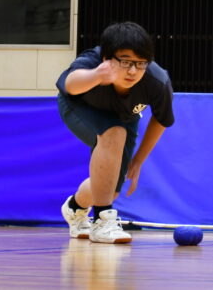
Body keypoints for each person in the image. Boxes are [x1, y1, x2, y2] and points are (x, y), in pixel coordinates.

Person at [56, 21, 175, 243]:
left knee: (109, 190)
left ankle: (75, 208)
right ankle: (102, 221)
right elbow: (70, 84)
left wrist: (138, 160)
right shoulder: (92, 62)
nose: (133, 71)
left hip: (123, 118)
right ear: (107, 58)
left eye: (140, 63)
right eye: (126, 61)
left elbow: (161, 120)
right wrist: (96, 76)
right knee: (114, 133)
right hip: (78, 107)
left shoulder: (157, 81)